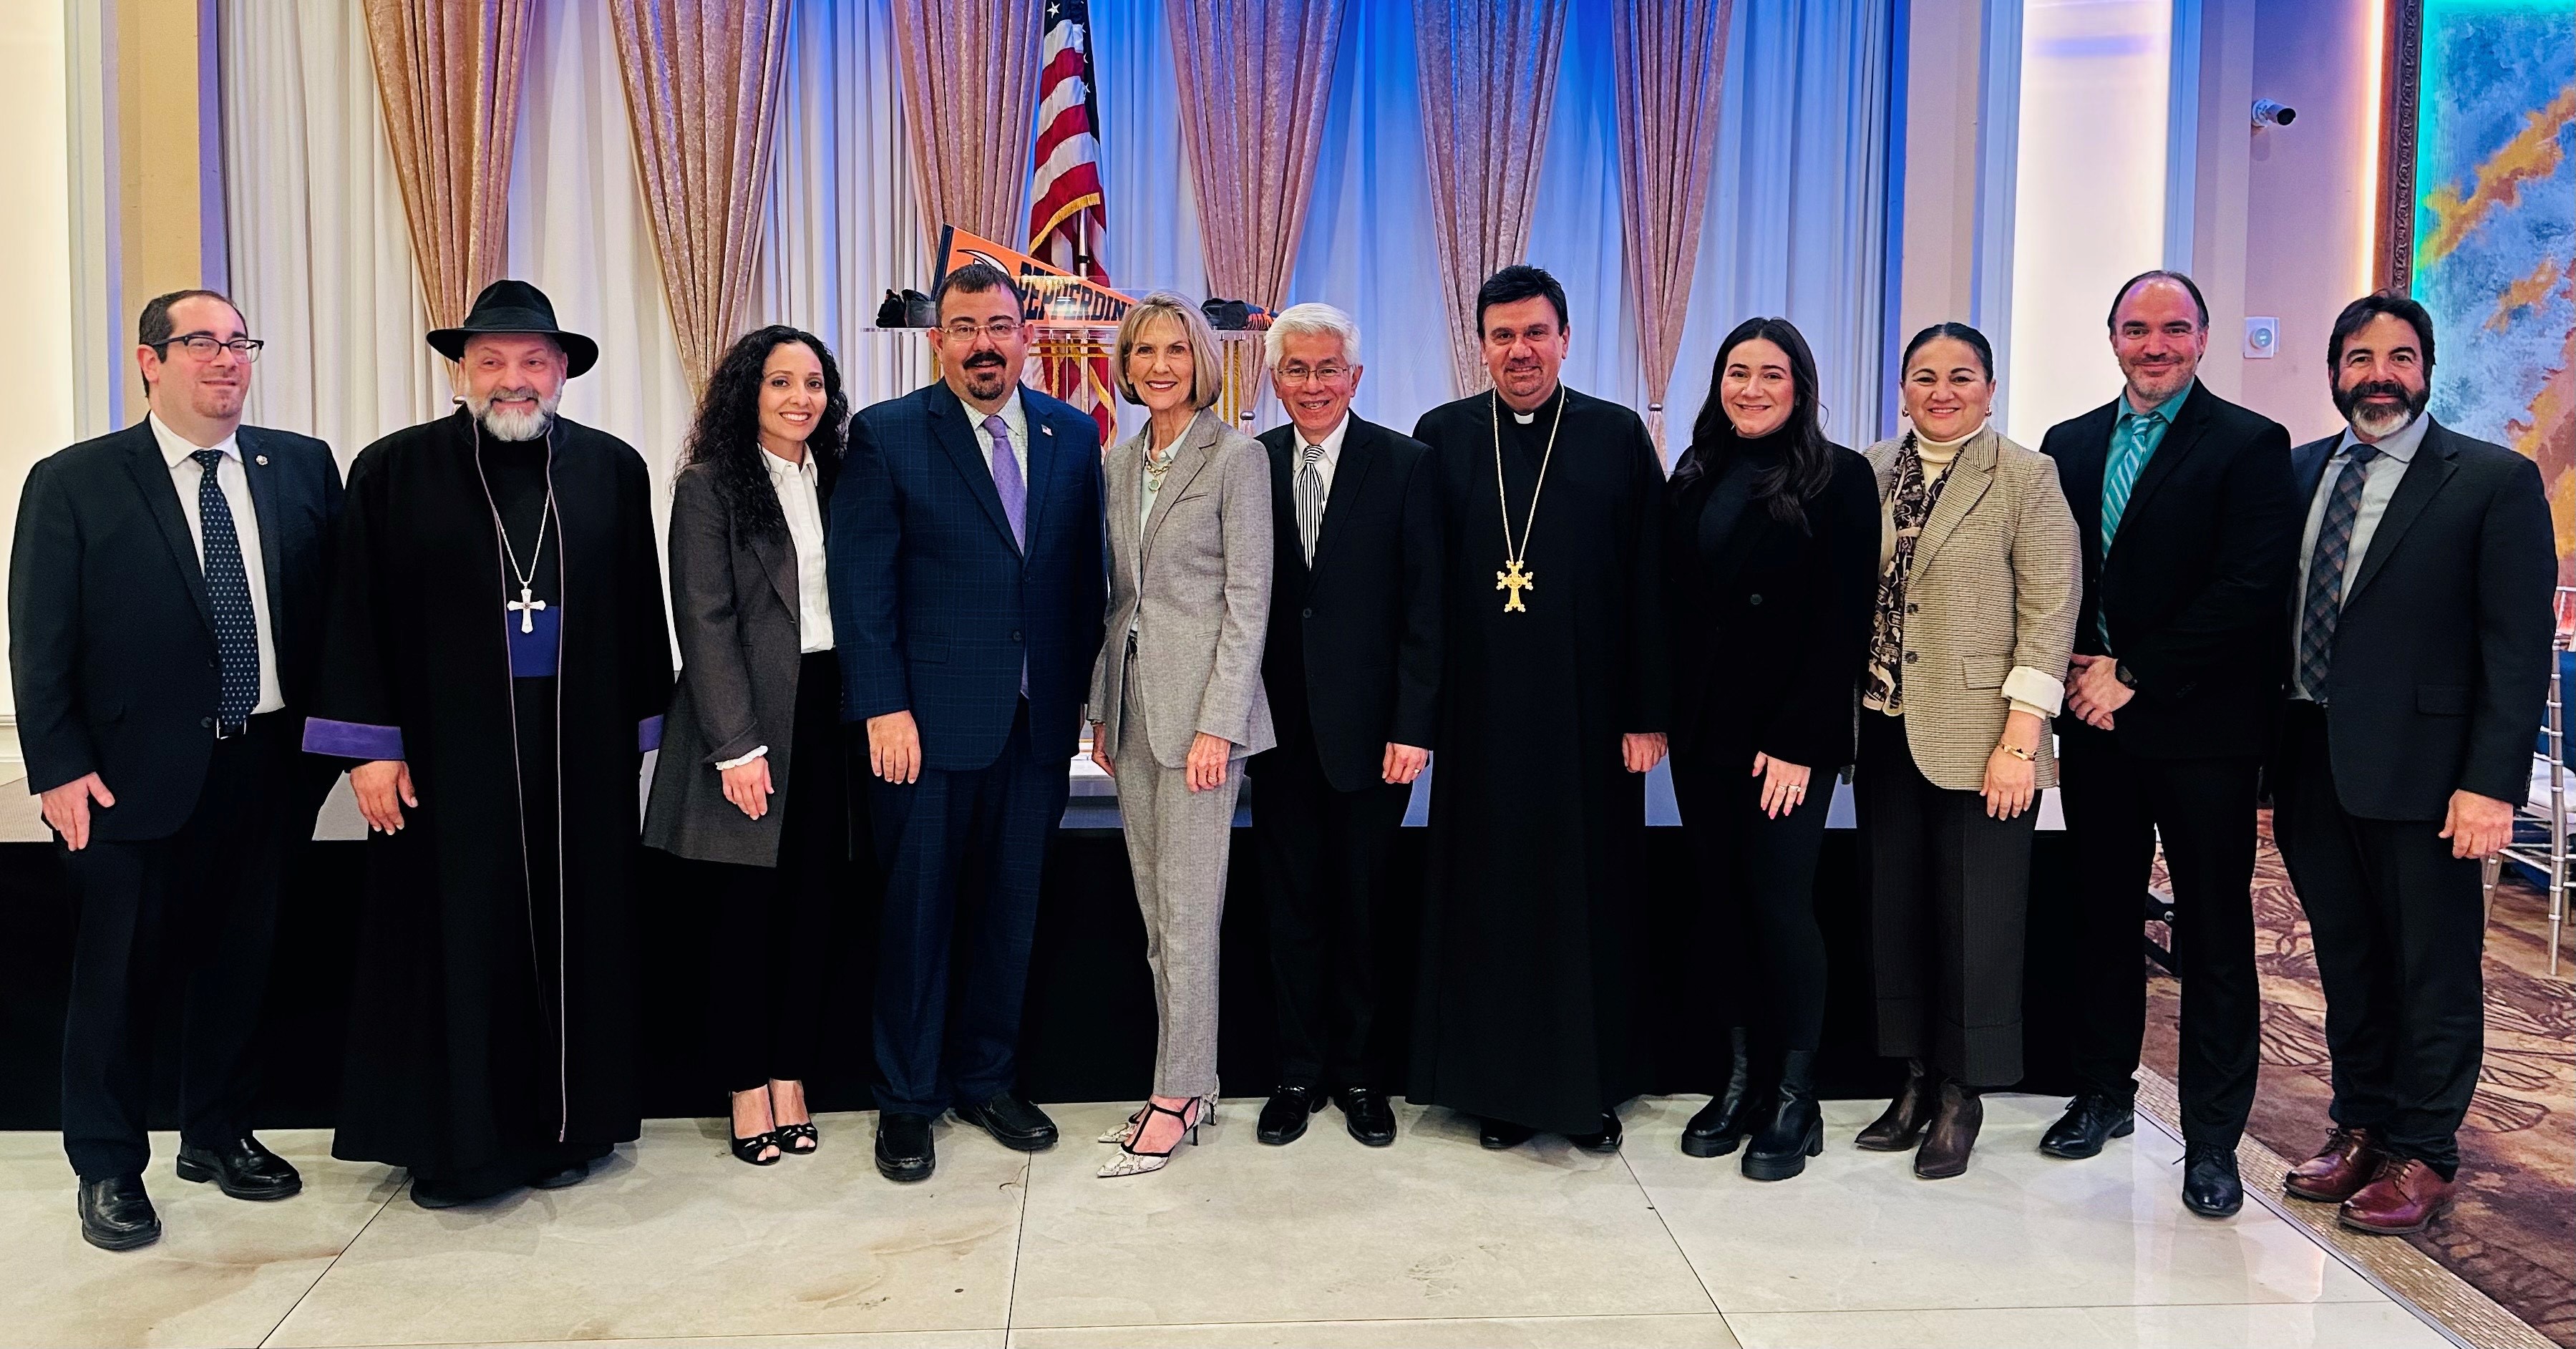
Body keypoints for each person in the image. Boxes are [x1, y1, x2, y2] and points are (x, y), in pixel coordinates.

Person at [303, 280, 674, 1209]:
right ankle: (454, 1140)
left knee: (572, 934)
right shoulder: (394, 470)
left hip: (576, 750)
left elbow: (640, 612)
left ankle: (567, 1126)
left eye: (532, 362)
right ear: (461, 370)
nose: (514, 379)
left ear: (561, 373)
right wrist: (369, 749)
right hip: (443, 751)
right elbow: (354, 614)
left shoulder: (611, 469)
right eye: (493, 361)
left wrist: (641, 741)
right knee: (455, 937)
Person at [9, 291, 340, 1250]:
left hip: (268, 766)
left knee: (241, 968)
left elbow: (339, 613)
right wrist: (58, 765)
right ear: (150, 362)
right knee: (114, 985)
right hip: (126, 779)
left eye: (240, 343)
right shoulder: (75, 481)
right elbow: (40, 637)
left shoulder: (300, 467)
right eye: (201, 342)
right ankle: (109, 1167)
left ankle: (219, 1133)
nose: (226, 360)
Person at [2270, 291, 2552, 1234]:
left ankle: (2422, 1148)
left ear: (2425, 370)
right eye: (2358, 357)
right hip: (2311, 763)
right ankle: (2359, 1122)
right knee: (2344, 958)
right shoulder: (2299, 472)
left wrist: (2487, 785)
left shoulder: (2488, 481)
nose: (2377, 375)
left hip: (2430, 777)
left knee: (2429, 968)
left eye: (2396, 357)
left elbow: (2513, 653)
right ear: (2332, 371)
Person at [830, 262, 1107, 1184]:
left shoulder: (1073, 435)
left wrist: (1083, 704)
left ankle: (986, 1078)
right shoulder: (886, 436)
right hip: (924, 730)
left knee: (1008, 915)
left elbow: (1078, 585)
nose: (983, 343)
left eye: (999, 324)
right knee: (917, 918)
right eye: (963, 327)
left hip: (1035, 730)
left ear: (1027, 333)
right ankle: (906, 1100)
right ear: (936, 337)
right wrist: (881, 704)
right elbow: (861, 587)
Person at [2039, 269, 2299, 1218]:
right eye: (2135, 329)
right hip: (2094, 723)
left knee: (2213, 937)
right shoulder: (2066, 444)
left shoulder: (2245, 443)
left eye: (2172, 329)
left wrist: (2133, 671)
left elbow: (2247, 586)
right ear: (2110, 337)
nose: (2153, 345)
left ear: (2201, 338)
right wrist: (2070, 669)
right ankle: (2104, 1092)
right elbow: (2055, 570)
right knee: (2099, 916)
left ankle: (2210, 1142)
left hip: (2200, 732)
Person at [1409, 264, 1671, 1153]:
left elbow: (1649, 581)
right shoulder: (1440, 436)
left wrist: (1646, 712)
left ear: (1565, 337)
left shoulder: (1615, 435)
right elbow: (1421, 590)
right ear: (1477, 344)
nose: (1519, 352)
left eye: (1535, 334)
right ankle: (1496, 1088)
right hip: (1480, 719)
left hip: (1590, 719)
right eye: (1501, 336)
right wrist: (1422, 714)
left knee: (1585, 895)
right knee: (1489, 897)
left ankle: (1587, 1084)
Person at [1851, 322, 2079, 1179]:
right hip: (1881, 724)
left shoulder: (2024, 476)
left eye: (1960, 377)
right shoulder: (1868, 470)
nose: (1940, 391)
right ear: (1900, 387)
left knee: (1976, 920)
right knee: (1895, 913)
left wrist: (2022, 738)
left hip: (1984, 735)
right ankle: (1910, 1078)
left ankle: (1961, 1093)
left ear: (1988, 388)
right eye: (1922, 376)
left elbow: (2049, 610)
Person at [1661, 318, 1880, 1181]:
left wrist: (1798, 741)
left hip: (1786, 742)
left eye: (1770, 375)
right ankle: (1742, 1078)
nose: (1750, 388)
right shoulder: (1694, 471)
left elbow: (1842, 622)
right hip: (1704, 733)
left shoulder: (1839, 477)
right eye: (1736, 372)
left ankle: (1796, 1096)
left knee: (1780, 908)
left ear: (1800, 387)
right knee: (1721, 906)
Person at [643, 326, 856, 1166]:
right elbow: (706, 621)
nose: (800, 398)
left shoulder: (840, 481)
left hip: (828, 716)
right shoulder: (707, 489)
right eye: (781, 383)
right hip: (745, 723)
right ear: (747, 393)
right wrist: (736, 746)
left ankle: (792, 1079)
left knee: (812, 911)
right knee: (743, 920)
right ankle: (744, 1087)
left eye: (813, 384)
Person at [1087, 292, 1275, 1178]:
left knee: (1192, 917)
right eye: (1142, 350)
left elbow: (1248, 603)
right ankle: (1185, 1079)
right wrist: (1099, 710)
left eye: (1174, 349)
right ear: (1124, 365)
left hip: (1201, 723)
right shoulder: (1120, 462)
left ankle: (1178, 1092)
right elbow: (1118, 604)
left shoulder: (1236, 458)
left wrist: (1218, 724)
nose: (1158, 364)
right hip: (1131, 716)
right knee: (1157, 918)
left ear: (1201, 360)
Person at [1248, 303, 1441, 1149]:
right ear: (1274, 378)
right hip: (1275, 734)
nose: (1314, 385)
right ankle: (1296, 1071)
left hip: (1372, 739)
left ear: (1354, 379)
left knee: (1363, 910)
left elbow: (1423, 610)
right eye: (1297, 370)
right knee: (1290, 910)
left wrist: (1413, 724)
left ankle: (1360, 1074)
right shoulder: (1246, 465)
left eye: (1329, 370)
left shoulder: (1405, 466)